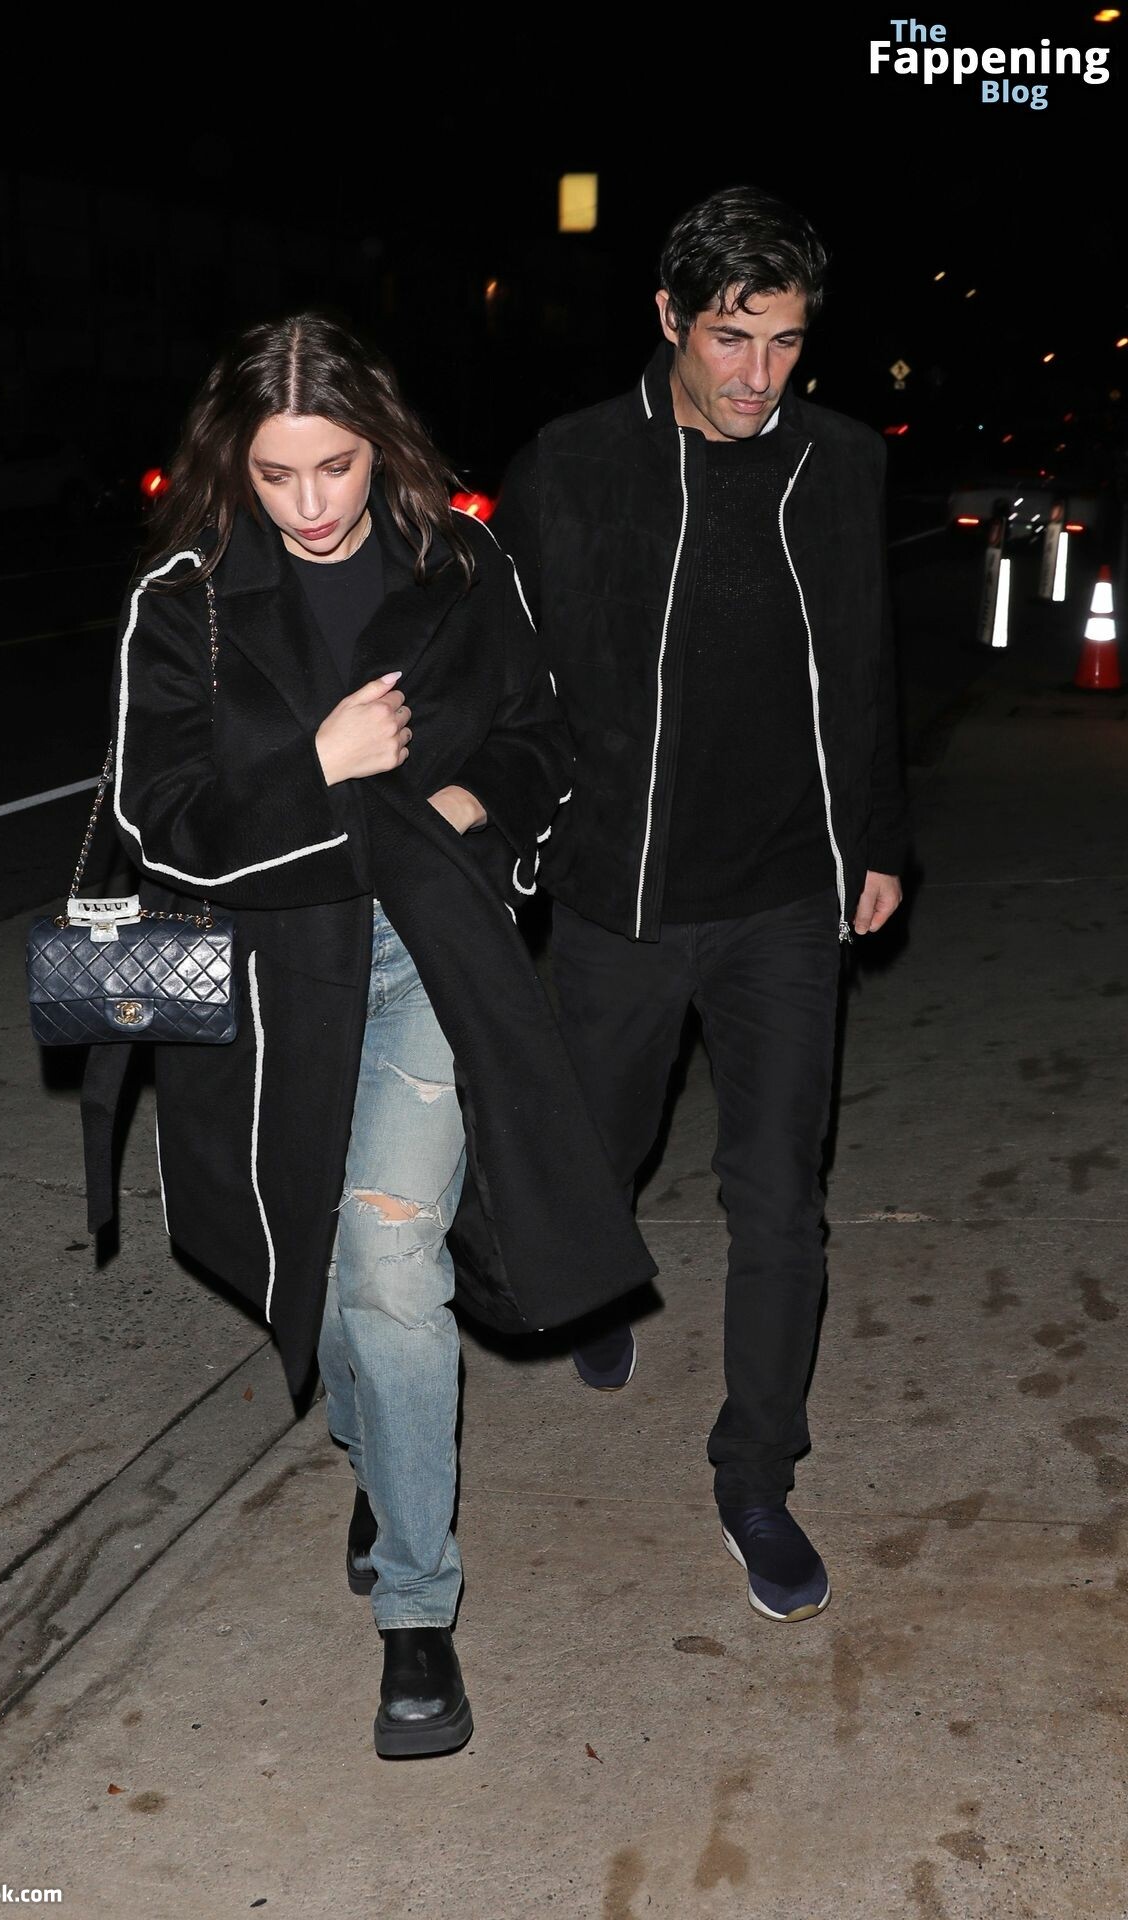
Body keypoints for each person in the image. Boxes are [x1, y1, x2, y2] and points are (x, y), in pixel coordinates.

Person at [100, 314, 656, 1754]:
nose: (310, 504)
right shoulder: (186, 600)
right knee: (317, 1255)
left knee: (393, 1260)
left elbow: (540, 737)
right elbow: (164, 824)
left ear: (379, 444)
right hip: (268, 981)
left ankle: (417, 1608)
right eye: (275, 475)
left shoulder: (461, 565)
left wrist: (474, 811)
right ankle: (379, 1452)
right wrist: (320, 766)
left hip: (422, 953)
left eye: (335, 467)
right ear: (234, 465)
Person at [491, 185, 907, 1625]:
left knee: (779, 1195)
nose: (758, 376)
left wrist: (878, 837)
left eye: (785, 342)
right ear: (669, 317)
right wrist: (502, 832)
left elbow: (862, 664)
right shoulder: (573, 465)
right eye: (732, 338)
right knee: (598, 1148)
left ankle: (758, 1474)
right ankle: (598, 1285)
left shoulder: (840, 462)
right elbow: (506, 677)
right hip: (624, 896)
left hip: (785, 895)